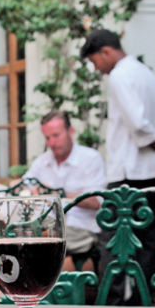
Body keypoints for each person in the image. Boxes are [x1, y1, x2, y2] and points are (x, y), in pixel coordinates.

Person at [80, 28, 155, 304]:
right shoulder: (147, 74)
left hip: (127, 172)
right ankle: (141, 298)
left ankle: (112, 302)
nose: (97, 69)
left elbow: (139, 125)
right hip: (151, 173)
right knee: (146, 238)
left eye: (94, 62)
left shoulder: (120, 76)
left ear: (106, 52)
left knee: (112, 236)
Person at [22, 110, 106, 271]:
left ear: (71, 131)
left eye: (56, 135)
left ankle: (38, 290)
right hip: (47, 226)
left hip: (82, 227)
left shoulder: (90, 158)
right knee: (23, 236)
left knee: (34, 240)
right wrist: (31, 189)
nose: (52, 143)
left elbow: (97, 201)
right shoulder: (43, 161)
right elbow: (24, 184)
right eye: (47, 138)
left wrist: (58, 193)